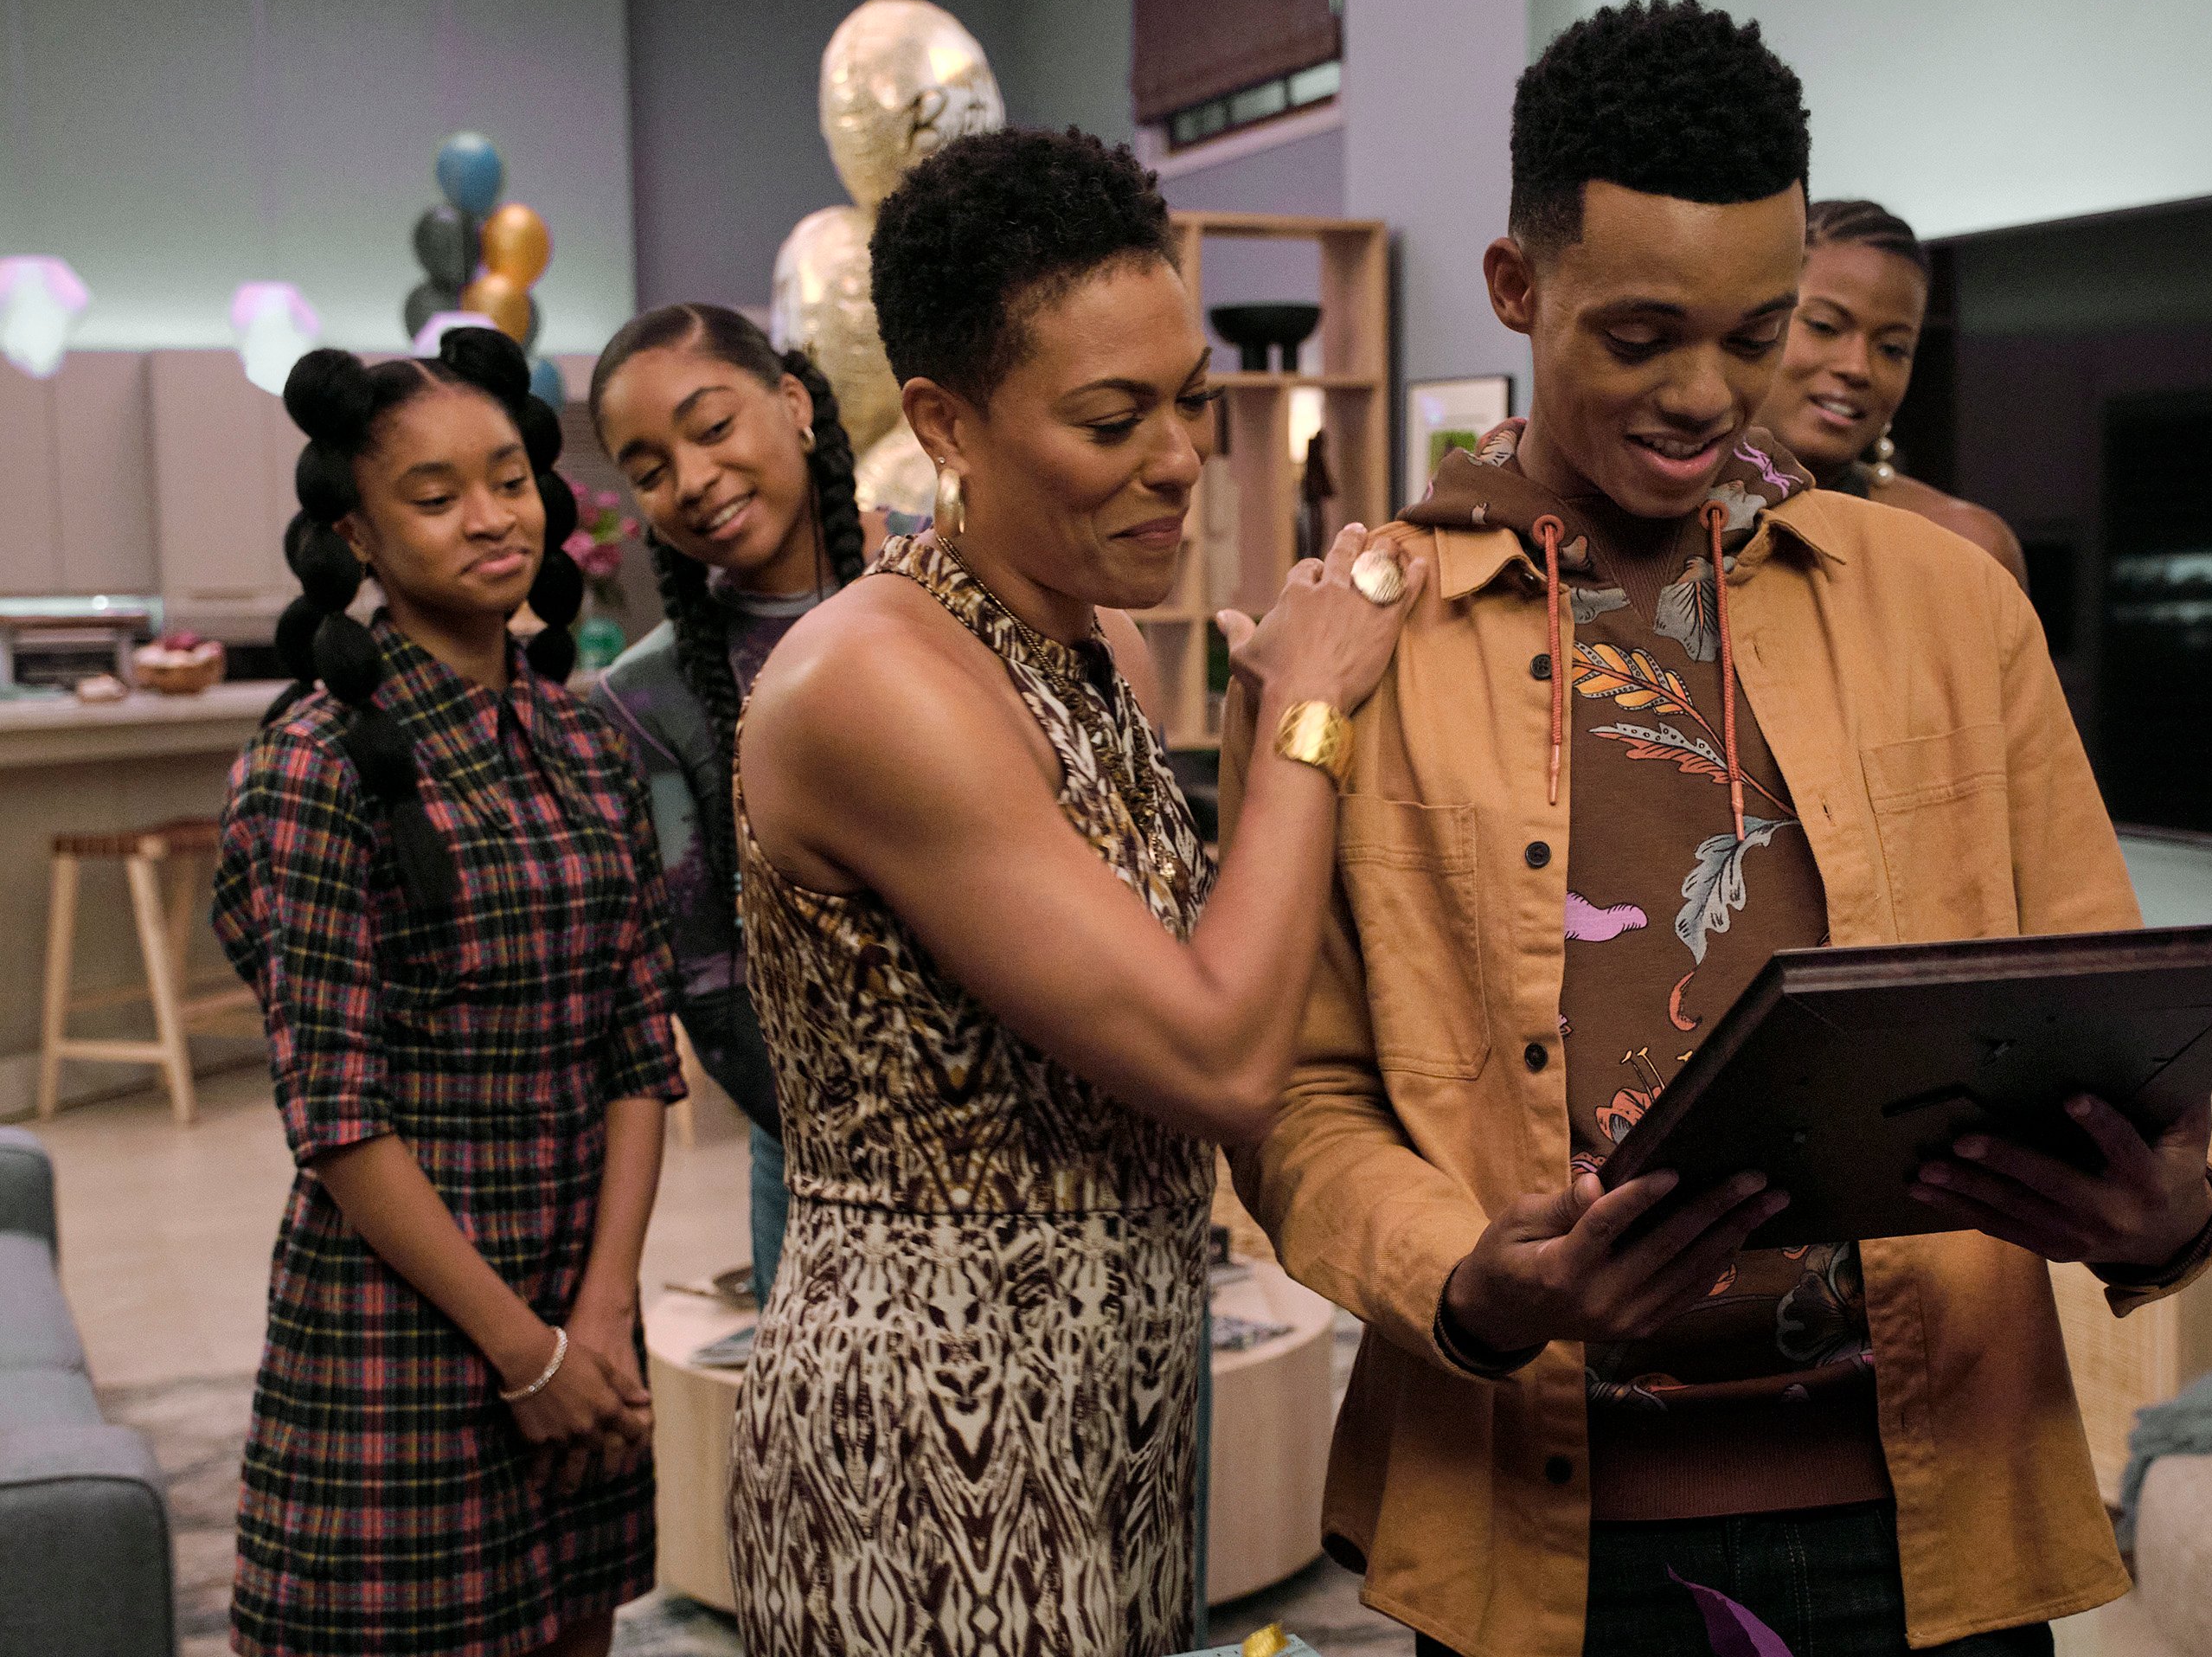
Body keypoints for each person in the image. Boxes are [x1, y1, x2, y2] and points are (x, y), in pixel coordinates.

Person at [1229, 1, 2212, 1657]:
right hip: (1540, 1534)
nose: (1706, 398)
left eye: (1755, 334)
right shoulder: (1365, 639)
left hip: (1933, 1519)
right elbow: (1298, 1096)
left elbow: (2101, 1023)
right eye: (1638, 339)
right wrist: (1469, 1281)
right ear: (1515, 288)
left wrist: (2167, 1213)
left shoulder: (1952, 609)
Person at [725, 126, 1422, 1657]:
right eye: (1113, 421)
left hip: (1120, 1384)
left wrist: (1251, 725)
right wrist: (1313, 710)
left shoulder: (1092, 637)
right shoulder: (877, 686)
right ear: (944, 422)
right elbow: (1222, 1057)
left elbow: (1185, 955)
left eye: (1191, 401)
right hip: (929, 1429)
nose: (1177, 458)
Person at [214, 328, 685, 1657]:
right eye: (434, 496)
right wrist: (521, 1351)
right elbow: (339, 1118)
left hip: (580, 1311)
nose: (491, 518)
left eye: (509, 479)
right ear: (359, 536)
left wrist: (595, 1322)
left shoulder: (588, 741)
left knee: (575, 1632)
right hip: (403, 1332)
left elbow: (639, 1056)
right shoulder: (316, 766)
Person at [586, 304, 868, 1308]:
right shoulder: (644, 699)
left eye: (711, 428)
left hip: (1053, 1138)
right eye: (650, 466)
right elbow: (710, 987)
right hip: (827, 1180)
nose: (692, 478)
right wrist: (894, 1143)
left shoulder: (961, 581)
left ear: (793, 402)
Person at [1756, 198, 2028, 588]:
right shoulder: (1662, 515)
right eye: (1825, 326)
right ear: (1754, 323)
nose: (1858, 368)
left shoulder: (1965, 549)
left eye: (1892, 349)